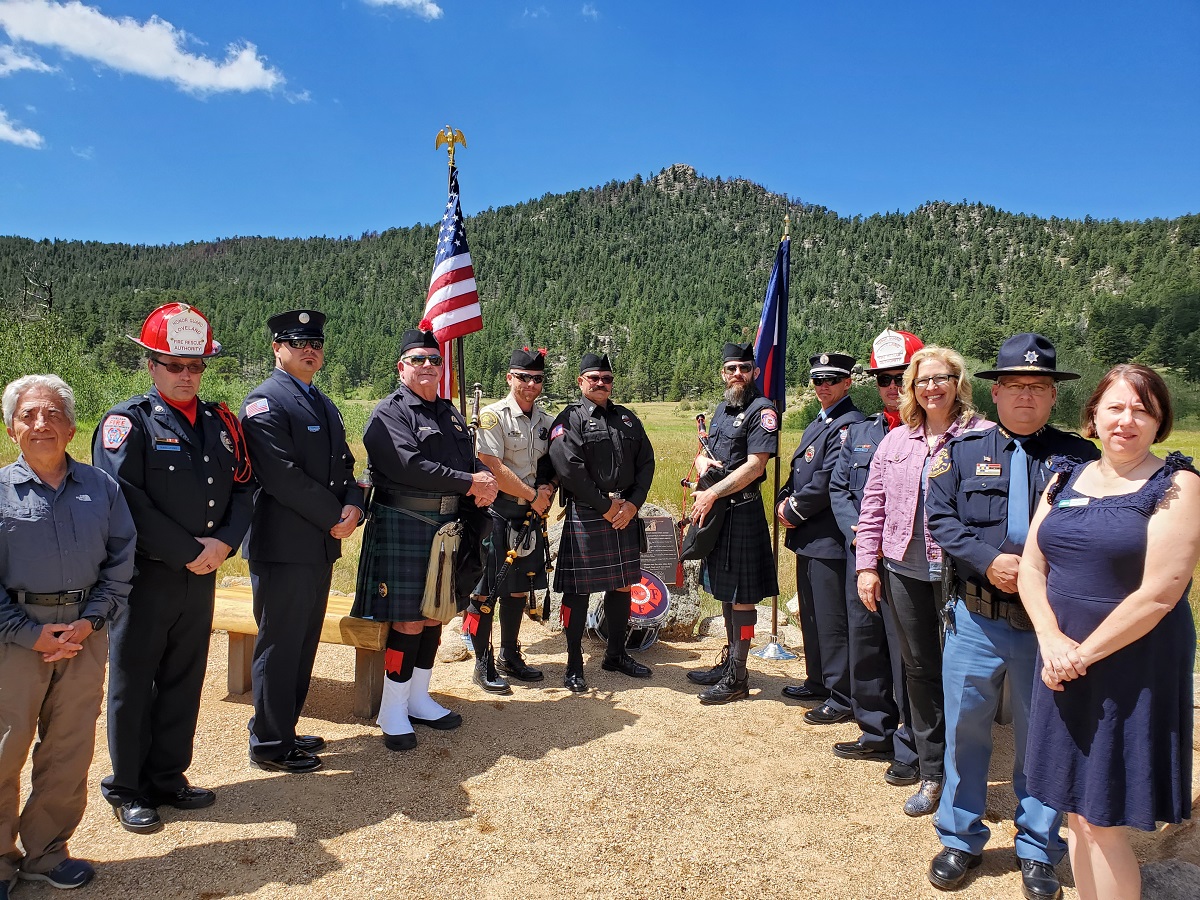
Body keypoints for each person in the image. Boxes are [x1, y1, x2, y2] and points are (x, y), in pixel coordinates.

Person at [925, 333, 1098, 899]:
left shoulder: (1081, 460)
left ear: (1054, 398)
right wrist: (987, 560)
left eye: (1039, 387)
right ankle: (959, 837)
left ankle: (1039, 847)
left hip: (1049, 627)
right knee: (965, 731)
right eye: (1015, 386)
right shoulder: (962, 450)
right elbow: (942, 517)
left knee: (1042, 737)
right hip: (978, 619)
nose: (1027, 397)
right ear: (996, 394)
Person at [1019, 364, 1199, 900]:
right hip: (1061, 659)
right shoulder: (1063, 478)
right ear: (1092, 415)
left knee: (1104, 816)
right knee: (1074, 807)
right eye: (1115, 407)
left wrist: (1081, 655)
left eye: (1141, 409)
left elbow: (1160, 593)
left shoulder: (1178, 484)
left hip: (1131, 664)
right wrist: (1052, 641)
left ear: (1159, 421)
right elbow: (1031, 568)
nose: (1126, 420)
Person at [93, 302, 254, 835]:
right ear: (151, 366)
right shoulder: (127, 422)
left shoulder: (219, 422)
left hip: (202, 573)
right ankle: (128, 786)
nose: (187, 376)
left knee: (185, 677)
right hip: (147, 575)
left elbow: (244, 487)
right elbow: (126, 500)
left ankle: (167, 776)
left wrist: (225, 544)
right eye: (174, 365)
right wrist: (189, 549)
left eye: (195, 366)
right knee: (135, 681)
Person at [0, 376, 136, 895]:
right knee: (5, 747)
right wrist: (27, 633)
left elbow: (120, 561)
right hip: (15, 641)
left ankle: (47, 853)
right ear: (12, 428)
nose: (42, 424)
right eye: (29, 415)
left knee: (68, 748)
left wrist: (92, 620)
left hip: (84, 636)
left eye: (53, 414)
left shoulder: (102, 488)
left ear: (73, 427)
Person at [854, 345, 990, 817]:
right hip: (903, 571)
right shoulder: (896, 442)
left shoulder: (984, 437)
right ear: (911, 389)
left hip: (963, 574)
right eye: (922, 380)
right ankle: (932, 773)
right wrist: (867, 566)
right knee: (919, 671)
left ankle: (965, 772)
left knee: (968, 676)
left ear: (958, 383)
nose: (932, 387)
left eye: (942, 378)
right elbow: (872, 507)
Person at [351, 326, 498, 751]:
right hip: (405, 521)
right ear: (402, 368)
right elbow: (408, 466)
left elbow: (466, 458)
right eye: (418, 360)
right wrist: (471, 479)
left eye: (434, 360)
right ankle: (392, 708)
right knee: (409, 618)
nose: (428, 367)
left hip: (447, 525)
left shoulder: (448, 413)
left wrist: (481, 482)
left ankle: (418, 698)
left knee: (437, 612)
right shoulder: (389, 413)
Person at [240, 310, 365, 773]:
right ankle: (270, 743)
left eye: (314, 342)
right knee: (280, 643)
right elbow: (283, 479)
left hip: (317, 544)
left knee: (303, 641)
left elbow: (347, 466)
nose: (308, 349)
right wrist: (337, 515)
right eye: (296, 342)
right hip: (284, 546)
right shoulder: (264, 403)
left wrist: (355, 507)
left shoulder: (323, 402)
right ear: (277, 348)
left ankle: (284, 727)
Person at [828, 329, 923, 788]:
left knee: (909, 653)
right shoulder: (860, 432)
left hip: (910, 561)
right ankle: (874, 730)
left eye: (899, 377)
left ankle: (912, 743)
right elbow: (841, 489)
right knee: (864, 641)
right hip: (862, 557)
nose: (890, 385)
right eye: (883, 378)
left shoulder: (934, 435)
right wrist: (861, 538)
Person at [548, 352, 655, 692]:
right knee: (578, 590)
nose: (600, 383)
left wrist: (633, 505)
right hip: (589, 511)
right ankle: (574, 663)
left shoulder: (626, 419)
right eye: (593, 378)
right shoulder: (570, 418)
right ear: (580, 382)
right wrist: (605, 507)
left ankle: (615, 653)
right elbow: (568, 468)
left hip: (624, 512)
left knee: (623, 584)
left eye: (606, 379)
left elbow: (647, 462)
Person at [685, 341, 779, 703]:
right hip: (720, 511)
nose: (737, 374)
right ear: (723, 373)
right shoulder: (724, 408)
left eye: (743, 368)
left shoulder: (762, 409)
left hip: (741, 510)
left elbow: (756, 465)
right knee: (726, 590)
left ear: (754, 371)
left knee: (742, 596)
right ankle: (729, 663)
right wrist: (702, 468)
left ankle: (739, 678)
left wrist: (711, 493)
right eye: (730, 369)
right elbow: (716, 456)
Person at [777, 351, 864, 723]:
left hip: (829, 536)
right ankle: (817, 679)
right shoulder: (820, 421)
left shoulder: (850, 423)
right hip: (808, 537)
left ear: (847, 382)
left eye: (831, 380)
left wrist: (791, 510)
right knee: (811, 613)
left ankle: (841, 694)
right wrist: (783, 497)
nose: (823, 386)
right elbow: (800, 470)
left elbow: (828, 480)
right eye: (817, 380)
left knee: (832, 619)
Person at [466, 347, 556, 694]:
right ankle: (482, 660)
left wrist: (547, 488)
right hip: (497, 513)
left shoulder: (547, 422)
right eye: (523, 377)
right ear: (509, 378)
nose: (530, 384)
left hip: (530, 515)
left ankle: (509, 653)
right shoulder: (493, 417)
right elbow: (492, 466)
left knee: (519, 587)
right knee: (487, 590)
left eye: (537, 379)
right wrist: (535, 495)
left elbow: (551, 464)